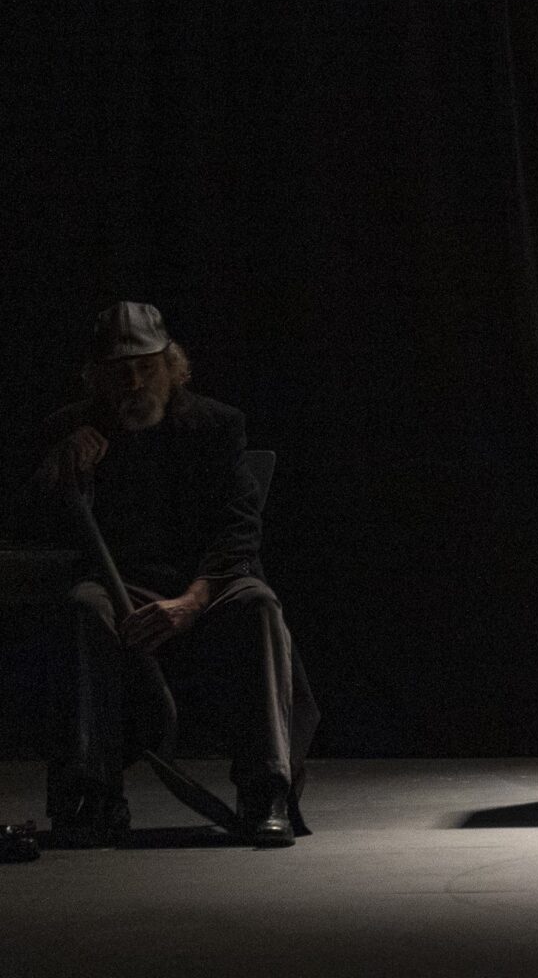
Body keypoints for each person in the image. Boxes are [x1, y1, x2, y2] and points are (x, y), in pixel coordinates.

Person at [14, 303, 318, 848]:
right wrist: (60, 470)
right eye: (119, 371)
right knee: (84, 607)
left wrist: (192, 600)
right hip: (119, 586)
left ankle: (266, 790)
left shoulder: (216, 425)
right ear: (97, 378)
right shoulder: (70, 429)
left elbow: (239, 529)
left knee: (260, 606)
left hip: (210, 583)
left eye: (146, 367)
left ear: (172, 366)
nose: (134, 383)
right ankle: (95, 792)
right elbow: (31, 525)